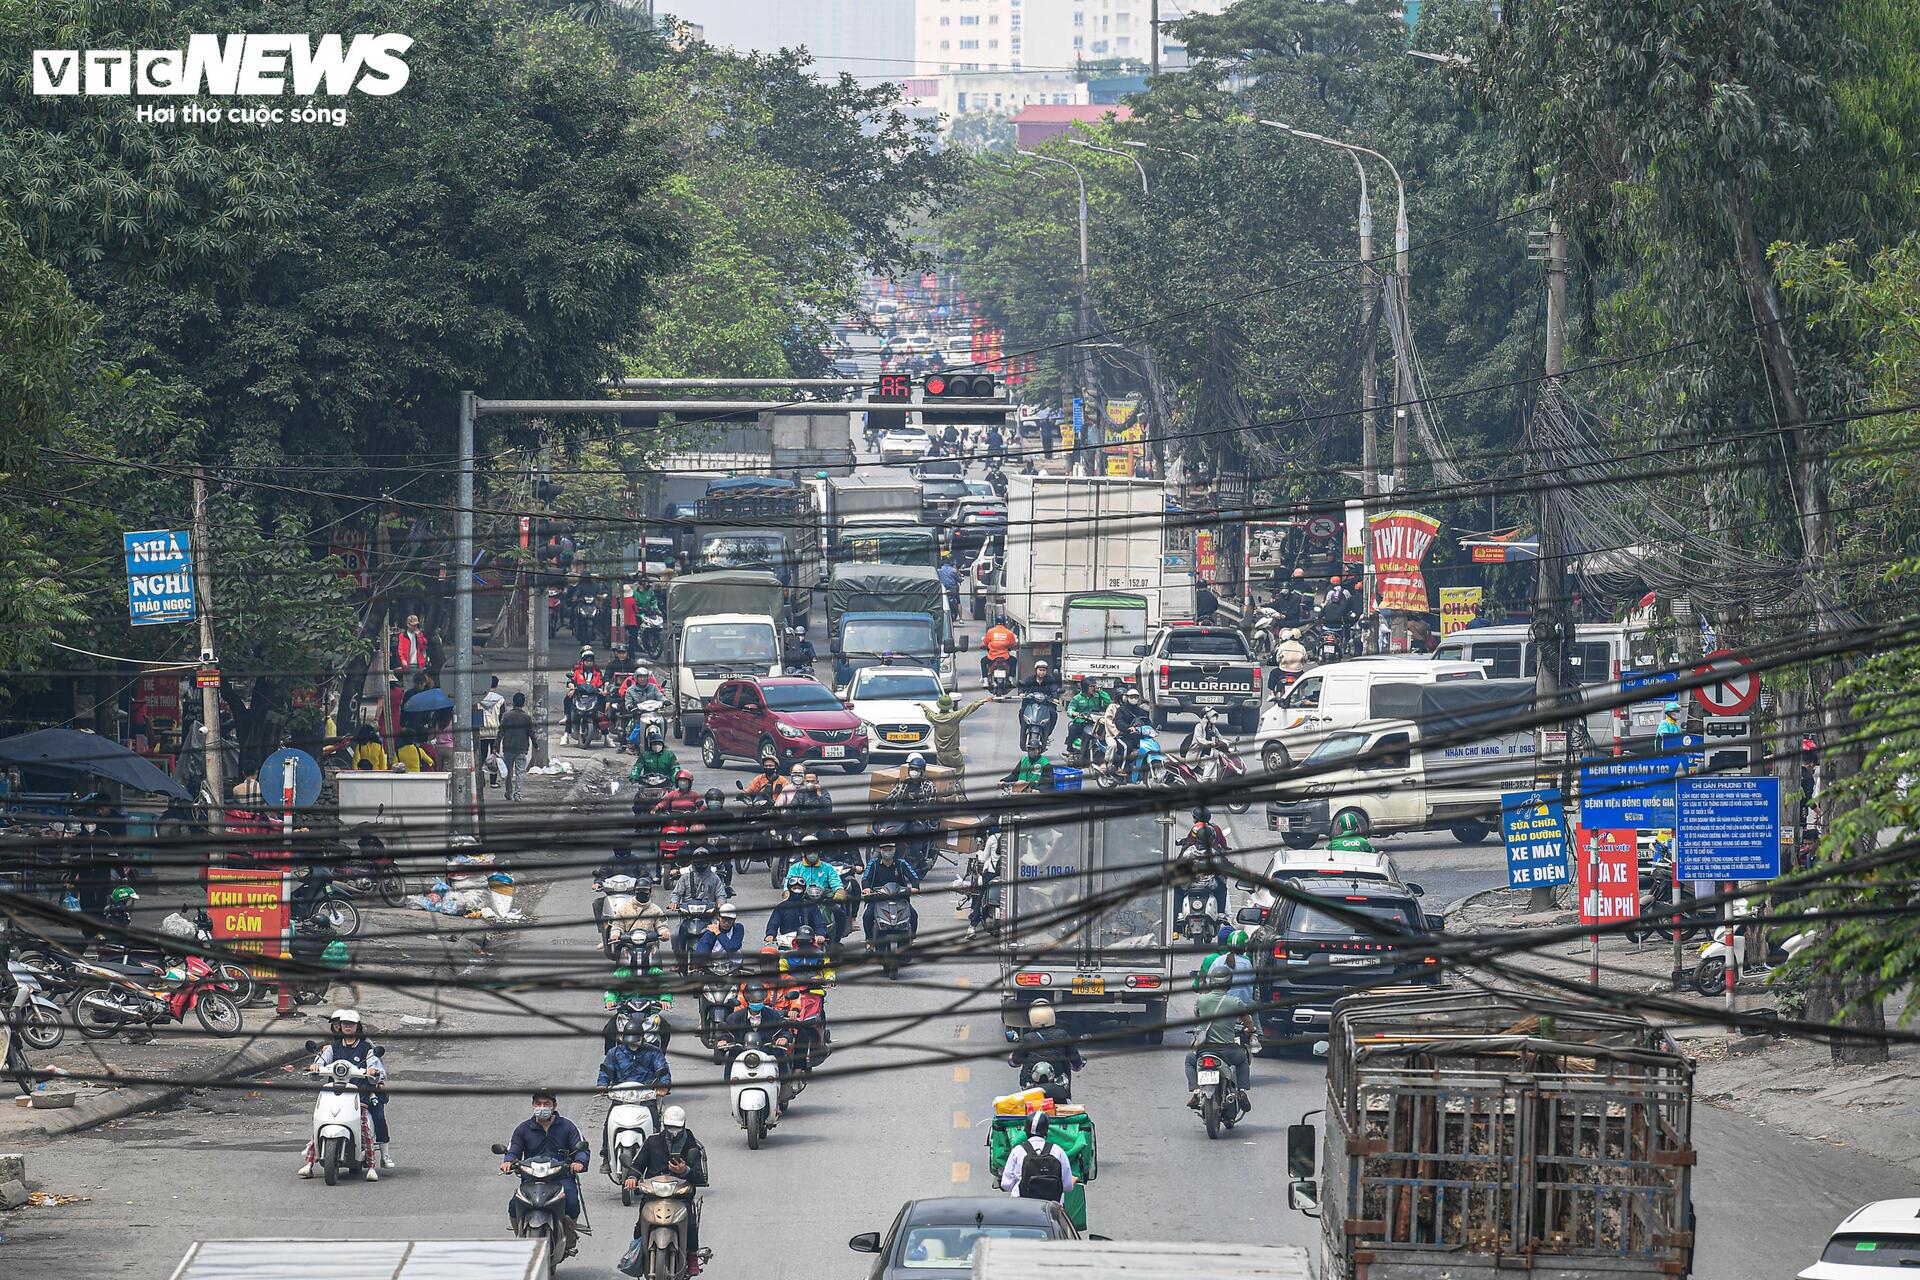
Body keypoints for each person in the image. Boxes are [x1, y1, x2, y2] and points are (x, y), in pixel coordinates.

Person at [500, 1091, 590, 1259]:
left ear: (554, 1106)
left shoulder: (568, 1127)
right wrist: (508, 1161)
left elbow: (582, 1150)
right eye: (538, 1104)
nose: (542, 1108)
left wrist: (579, 1162)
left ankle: (569, 1234)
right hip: (531, 1177)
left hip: (560, 1176)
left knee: (571, 1201)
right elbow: (514, 1149)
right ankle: (520, 1236)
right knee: (514, 1205)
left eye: (546, 1104)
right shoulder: (523, 1129)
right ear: (533, 1106)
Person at [299, 1010, 389, 1178]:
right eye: (345, 1023)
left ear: (357, 1026)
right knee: (318, 1118)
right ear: (340, 1026)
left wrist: (373, 1070)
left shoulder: (367, 1047)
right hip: (336, 1091)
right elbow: (322, 1060)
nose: (347, 1026)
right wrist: (315, 1066)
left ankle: (373, 1163)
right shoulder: (334, 1045)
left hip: (360, 1092)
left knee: (366, 1126)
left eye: (351, 1024)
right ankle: (309, 1163)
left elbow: (376, 1066)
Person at [622, 1105, 710, 1275]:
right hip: (653, 1195)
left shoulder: (692, 1146)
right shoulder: (652, 1142)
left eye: (677, 1127)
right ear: (663, 1125)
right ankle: (637, 1254)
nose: (673, 1131)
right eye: (670, 1127)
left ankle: (692, 1256)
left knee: (690, 1225)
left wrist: (685, 1171)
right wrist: (632, 1178)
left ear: (683, 1125)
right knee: (639, 1227)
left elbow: (701, 1177)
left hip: (680, 1197)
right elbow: (637, 1164)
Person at [1185, 967, 1254, 1114]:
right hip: (1227, 1050)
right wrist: (1251, 1031)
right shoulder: (1235, 1002)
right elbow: (1247, 1021)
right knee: (1242, 1060)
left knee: (1189, 1060)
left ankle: (1196, 1091)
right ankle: (1242, 1091)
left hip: (1204, 1050)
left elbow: (1198, 1019)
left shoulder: (1201, 1000)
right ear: (1229, 983)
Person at [1006, 999, 1084, 1090]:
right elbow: (1076, 1064)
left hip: (1030, 1086)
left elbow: (1014, 1062)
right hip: (1059, 1086)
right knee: (1067, 1101)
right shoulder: (1063, 1035)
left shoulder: (1027, 1038)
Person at [999, 1110, 1074, 1204]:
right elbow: (1067, 1186)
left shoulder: (1017, 1151)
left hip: (1021, 1206)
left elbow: (1006, 1184)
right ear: (1046, 1131)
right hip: (1050, 1208)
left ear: (1026, 1131)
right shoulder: (1057, 1151)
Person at [1177, 807, 1231, 917]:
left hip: (1189, 885)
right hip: (1210, 885)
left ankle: (1178, 914)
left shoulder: (1189, 850)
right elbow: (1223, 843)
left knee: (1176, 889)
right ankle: (1221, 913)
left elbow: (1188, 842)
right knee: (1222, 886)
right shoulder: (1214, 849)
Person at [919, 692, 992, 770]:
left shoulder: (935, 718)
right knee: (959, 769)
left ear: (939, 706)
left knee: (942, 774)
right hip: (954, 753)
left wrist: (922, 705)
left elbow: (929, 712)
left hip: (941, 754)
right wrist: (984, 700)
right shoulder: (955, 716)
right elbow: (970, 707)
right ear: (950, 705)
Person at [862, 843, 920, 940]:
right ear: (880, 851)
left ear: (894, 850)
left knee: (913, 915)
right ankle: (869, 940)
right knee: (867, 916)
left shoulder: (901, 863)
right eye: (885, 850)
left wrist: (915, 887)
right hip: (877, 898)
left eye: (890, 849)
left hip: (899, 898)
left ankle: (912, 938)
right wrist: (866, 888)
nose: (887, 852)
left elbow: (914, 877)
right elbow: (865, 878)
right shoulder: (873, 863)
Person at [764, 877, 829, 944]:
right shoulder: (781, 907)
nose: (797, 890)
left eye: (799, 888)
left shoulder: (812, 906)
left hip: (809, 942)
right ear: (789, 889)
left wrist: (821, 934)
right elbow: (773, 923)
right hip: (787, 943)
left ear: (804, 889)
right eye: (794, 888)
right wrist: (770, 934)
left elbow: (819, 923)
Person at [1201, 929, 1257, 1003]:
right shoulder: (1246, 963)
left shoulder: (1218, 960)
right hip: (1242, 1005)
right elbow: (1252, 984)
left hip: (1219, 1004)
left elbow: (1208, 981)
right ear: (1245, 947)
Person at [1106, 687, 1152, 773]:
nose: (1134, 699)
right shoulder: (1121, 710)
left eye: (1136, 697)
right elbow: (1118, 722)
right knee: (1127, 747)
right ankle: (1122, 768)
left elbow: (1147, 721)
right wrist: (1128, 728)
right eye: (1132, 697)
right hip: (1123, 735)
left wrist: (1152, 729)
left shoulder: (1141, 711)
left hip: (1137, 735)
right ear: (1127, 698)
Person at [500, 693, 535, 802]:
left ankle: (508, 792)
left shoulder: (506, 716)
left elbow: (500, 732)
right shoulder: (527, 717)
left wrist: (496, 746)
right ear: (523, 703)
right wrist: (536, 745)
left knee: (508, 772)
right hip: (522, 748)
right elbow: (531, 733)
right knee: (520, 772)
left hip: (508, 748)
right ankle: (518, 794)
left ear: (513, 703)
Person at [477, 676, 506, 785]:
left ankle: (481, 781)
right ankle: (493, 782)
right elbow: (502, 718)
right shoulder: (500, 699)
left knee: (481, 756)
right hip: (496, 733)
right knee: (495, 757)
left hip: (482, 732)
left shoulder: (479, 698)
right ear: (496, 685)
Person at [981, 615, 1018, 685]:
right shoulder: (1009, 633)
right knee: (1014, 660)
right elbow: (1014, 645)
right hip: (1005, 657)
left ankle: (985, 681)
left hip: (992, 657)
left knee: (983, 661)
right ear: (1004, 622)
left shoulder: (990, 631)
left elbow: (985, 643)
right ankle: (1010, 679)